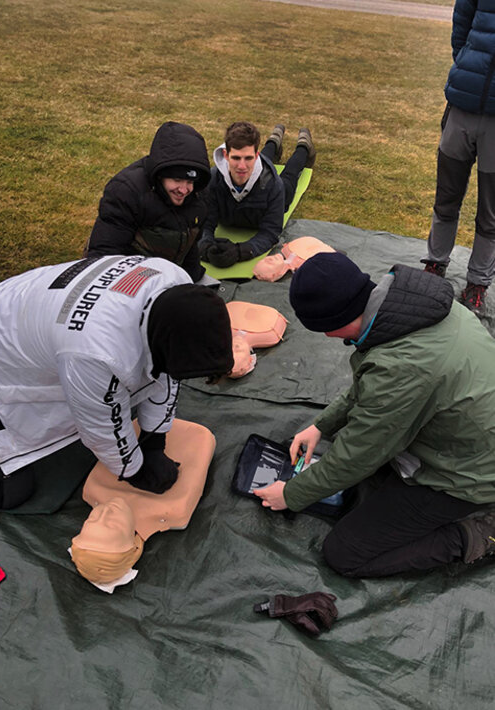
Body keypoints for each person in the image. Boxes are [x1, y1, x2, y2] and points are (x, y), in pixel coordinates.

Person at [254, 252, 495, 578]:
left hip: (469, 477)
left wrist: (291, 495)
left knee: (345, 553)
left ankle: (479, 532)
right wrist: (321, 425)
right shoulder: (414, 308)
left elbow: (358, 456)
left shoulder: (402, 366)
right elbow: (373, 388)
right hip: (463, 438)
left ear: (329, 326)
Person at [0, 255, 233, 510]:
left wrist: (154, 441)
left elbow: (165, 372)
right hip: (3, 343)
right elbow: (100, 424)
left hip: (30, 308)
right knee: (12, 492)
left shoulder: (176, 285)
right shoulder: (94, 350)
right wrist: (134, 470)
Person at [71, 418, 217, 586]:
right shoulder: (172, 509)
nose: (105, 511)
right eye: (112, 524)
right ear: (133, 545)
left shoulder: (95, 488)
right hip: (186, 430)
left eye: (92, 519)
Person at [422, 0, 495, 315]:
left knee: (491, 214)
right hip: (462, 104)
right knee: (446, 197)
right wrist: (465, 64)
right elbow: (461, 20)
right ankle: (435, 265)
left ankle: (477, 283)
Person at [84, 121, 211, 282]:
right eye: (177, 179)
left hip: (167, 275)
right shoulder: (126, 191)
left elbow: (190, 245)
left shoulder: (199, 195)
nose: (184, 190)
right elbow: (104, 255)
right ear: (160, 174)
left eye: (190, 182)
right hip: (125, 279)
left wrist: (192, 280)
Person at [198, 121, 316, 268]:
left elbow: (270, 232)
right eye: (236, 158)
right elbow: (205, 223)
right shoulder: (213, 179)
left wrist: (241, 252)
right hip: (256, 171)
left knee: (290, 175)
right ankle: (274, 141)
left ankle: (303, 146)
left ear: (256, 156)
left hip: (272, 183)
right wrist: (206, 247)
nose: (241, 166)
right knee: (252, 165)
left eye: (248, 158)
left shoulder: (274, 185)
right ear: (226, 155)